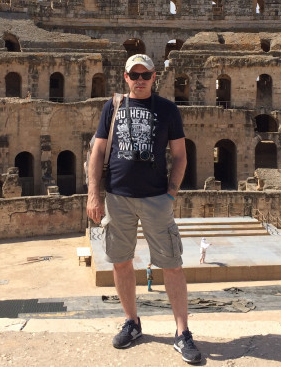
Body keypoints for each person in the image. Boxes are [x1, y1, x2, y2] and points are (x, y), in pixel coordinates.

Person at [87, 53, 202, 364]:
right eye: (134, 75)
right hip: (117, 198)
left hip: (156, 199)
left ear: (154, 77)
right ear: (125, 77)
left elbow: (180, 155)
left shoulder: (167, 109)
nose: (140, 80)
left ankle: (182, 333)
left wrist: (171, 193)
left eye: (145, 75)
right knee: (121, 262)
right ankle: (132, 322)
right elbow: (98, 150)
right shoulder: (112, 106)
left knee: (172, 264)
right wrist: (93, 194)